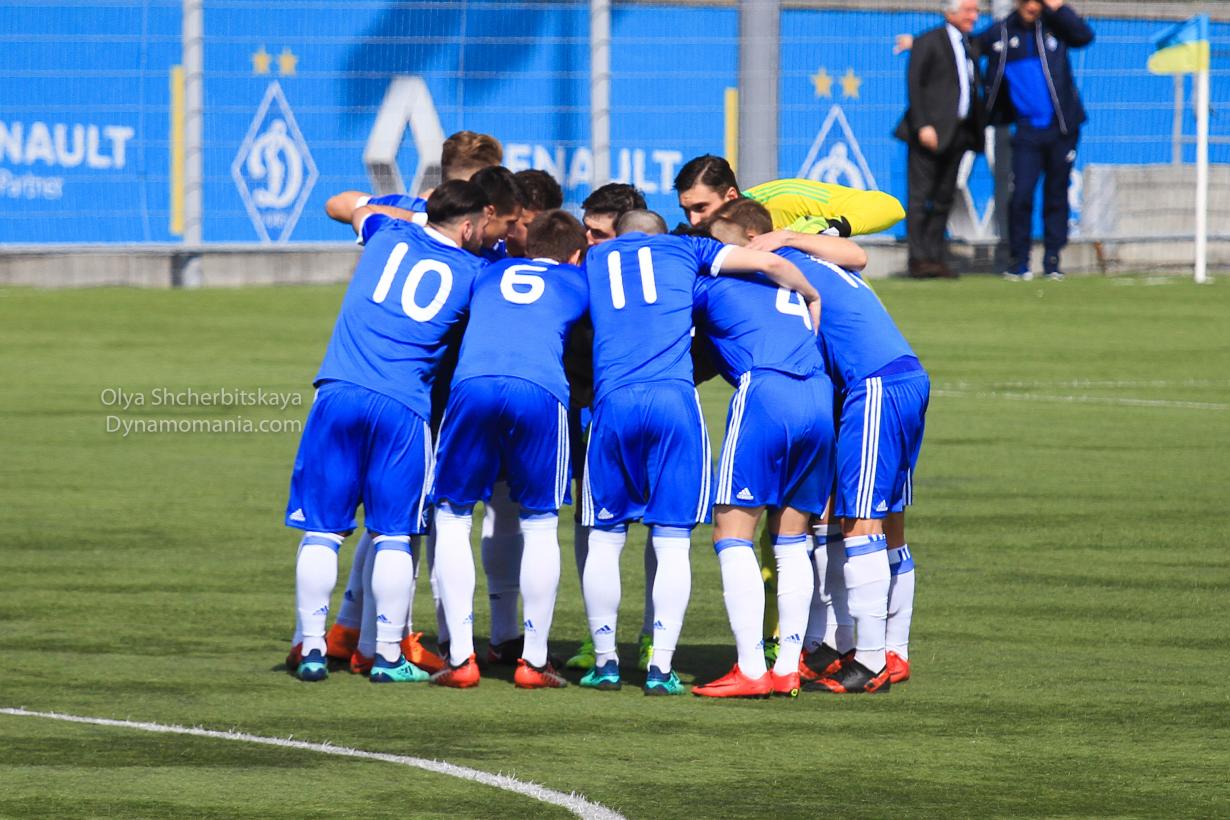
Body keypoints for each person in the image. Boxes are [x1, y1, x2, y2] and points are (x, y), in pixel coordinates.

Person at [578, 209, 820, 695]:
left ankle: (605, 662)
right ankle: (660, 668)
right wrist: (811, 294)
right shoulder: (686, 248)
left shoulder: (595, 258)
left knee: (604, 537)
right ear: (661, 233)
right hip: (675, 401)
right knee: (673, 540)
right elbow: (770, 264)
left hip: (613, 401)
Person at [710, 199, 929, 694]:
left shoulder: (780, 268)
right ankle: (864, 646)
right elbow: (856, 256)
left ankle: (871, 661)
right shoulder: (811, 258)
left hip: (873, 384)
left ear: (753, 241)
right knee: (876, 519)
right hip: (894, 378)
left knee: (862, 524)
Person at [283, 180, 490, 684]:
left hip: (338, 391)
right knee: (394, 535)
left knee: (322, 530)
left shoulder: (384, 231)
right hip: (403, 407)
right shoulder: (475, 274)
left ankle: (311, 648)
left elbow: (357, 208)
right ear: (467, 227)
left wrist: (413, 217)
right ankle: (388, 657)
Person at [429, 210, 590, 689]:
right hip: (539, 390)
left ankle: (460, 657)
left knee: (452, 516)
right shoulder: (579, 280)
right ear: (575, 254)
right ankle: (533, 661)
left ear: (527, 245)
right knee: (539, 521)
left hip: (471, 385)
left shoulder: (488, 272)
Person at [688, 206, 839, 699]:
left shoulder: (710, 283)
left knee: (732, 531)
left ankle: (751, 668)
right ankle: (788, 667)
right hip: (818, 396)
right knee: (792, 538)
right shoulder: (787, 284)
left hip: (766, 394)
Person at [564, 183, 662, 675]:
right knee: (592, 525)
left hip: (652, 410)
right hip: (591, 411)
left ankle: (652, 637)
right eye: (586, 230)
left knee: (663, 529)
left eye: (598, 234)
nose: (588, 241)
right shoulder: (578, 275)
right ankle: (597, 635)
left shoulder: (664, 273)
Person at [975, 0, 1094, 280]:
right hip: (1027, 130)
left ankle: (1053, 259)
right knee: (1021, 194)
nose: (1032, 6)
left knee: (1056, 194)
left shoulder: (1054, 27)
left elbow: (1084, 36)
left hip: (1061, 128)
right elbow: (969, 47)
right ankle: (1020, 261)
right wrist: (918, 44)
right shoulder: (1002, 32)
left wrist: (1059, 7)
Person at [894, 0, 984, 279]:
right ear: (951, 11)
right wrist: (923, 125)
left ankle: (935, 256)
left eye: (976, 10)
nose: (974, 16)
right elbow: (914, 84)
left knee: (945, 197)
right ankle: (918, 259)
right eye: (969, 10)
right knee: (920, 197)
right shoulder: (929, 41)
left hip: (959, 133)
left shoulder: (970, 44)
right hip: (930, 133)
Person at [674, 154, 905, 237]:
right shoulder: (699, 239)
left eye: (701, 208)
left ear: (731, 196)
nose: (693, 220)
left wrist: (821, 230)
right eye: (686, 211)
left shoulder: (784, 199)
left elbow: (889, 207)